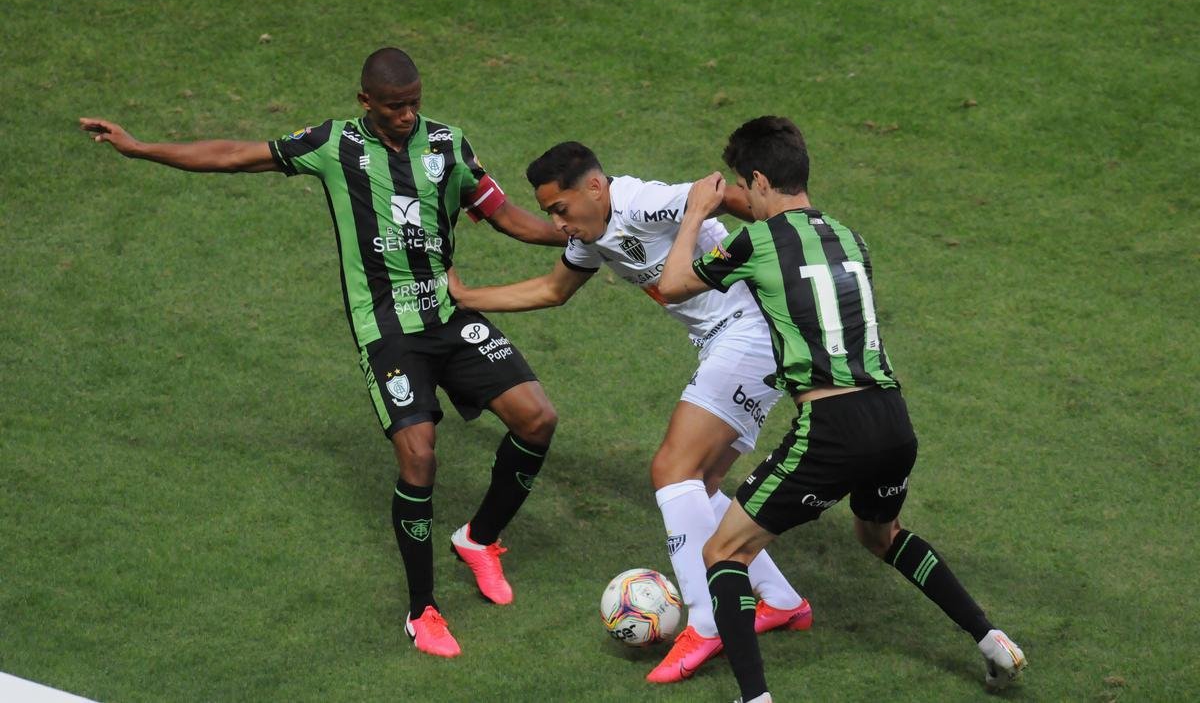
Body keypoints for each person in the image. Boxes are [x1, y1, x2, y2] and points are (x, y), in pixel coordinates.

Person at [79, 47, 567, 659]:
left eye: (416, 101)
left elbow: (500, 212)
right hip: (388, 330)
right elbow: (234, 155)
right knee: (419, 457)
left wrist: (574, 232)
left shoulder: (448, 144)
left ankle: (479, 539)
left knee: (538, 418)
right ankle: (423, 612)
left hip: (449, 313)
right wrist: (142, 146)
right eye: (395, 106)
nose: (409, 114)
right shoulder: (334, 144)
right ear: (365, 102)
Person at [656, 116, 1027, 702]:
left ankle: (754, 699)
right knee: (881, 536)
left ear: (758, 180)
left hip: (833, 427)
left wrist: (699, 212)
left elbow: (673, 283)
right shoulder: (853, 238)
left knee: (722, 551)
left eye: (740, 186)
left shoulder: (756, 240)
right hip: (892, 418)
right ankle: (991, 639)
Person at [448, 141, 812, 684]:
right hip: (737, 343)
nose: (557, 223)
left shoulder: (643, 203)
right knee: (703, 483)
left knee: (671, 470)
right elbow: (553, 289)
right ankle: (780, 600)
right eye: (549, 212)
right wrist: (468, 296)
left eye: (560, 209)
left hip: (750, 332)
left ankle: (707, 622)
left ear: (595, 188)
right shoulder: (593, 237)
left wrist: (801, 228)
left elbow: (715, 193)